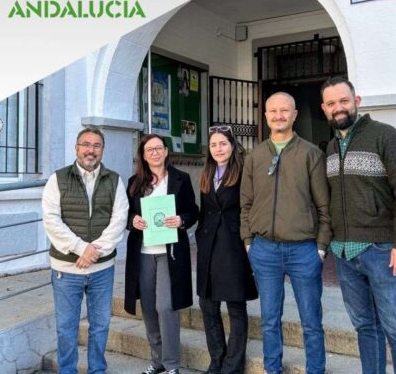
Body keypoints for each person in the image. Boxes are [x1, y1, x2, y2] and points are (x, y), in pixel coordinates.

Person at [321, 77, 396, 374]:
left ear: (357, 101)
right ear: (324, 109)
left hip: (382, 251)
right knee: (366, 327)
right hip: (344, 252)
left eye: (343, 100)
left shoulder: (385, 136)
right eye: (331, 103)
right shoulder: (329, 148)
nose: (338, 108)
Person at [240, 92, 331, 374]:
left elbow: (324, 206)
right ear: (265, 116)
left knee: (311, 321)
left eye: (284, 111)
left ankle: (315, 370)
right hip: (264, 249)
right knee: (269, 319)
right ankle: (272, 369)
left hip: (304, 250)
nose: (278, 116)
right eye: (273, 111)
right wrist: (248, 242)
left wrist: (320, 247)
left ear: (294, 115)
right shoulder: (255, 156)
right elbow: (245, 203)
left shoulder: (311, 154)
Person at [42, 127, 129, 373]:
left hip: (102, 269)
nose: (91, 150)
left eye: (97, 145)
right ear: (76, 147)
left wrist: (94, 252)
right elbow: (51, 221)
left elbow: (119, 219)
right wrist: (81, 248)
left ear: (102, 150)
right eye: (86, 144)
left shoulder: (114, 180)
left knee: (100, 326)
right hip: (66, 269)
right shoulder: (56, 179)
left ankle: (96, 370)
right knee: (66, 328)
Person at [124, 134, 199, 374]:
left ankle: (171, 364)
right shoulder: (135, 182)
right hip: (143, 253)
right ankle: (156, 362)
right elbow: (124, 214)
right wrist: (132, 220)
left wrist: (181, 220)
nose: (155, 153)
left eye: (158, 148)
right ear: (143, 156)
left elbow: (193, 211)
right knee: (147, 306)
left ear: (166, 151)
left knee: (166, 306)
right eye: (149, 149)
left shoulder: (181, 179)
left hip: (171, 253)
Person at [195, 125, 258, 374]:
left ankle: (233, 366)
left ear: (232, 145)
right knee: (207, 305)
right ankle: (217, 360)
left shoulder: (243, 171)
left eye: (223, 143)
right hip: (208, 246)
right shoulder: (206, 173)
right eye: (213, 145)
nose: (218, 149)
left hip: (233, 247)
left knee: (235, 306)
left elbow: (249, 208)